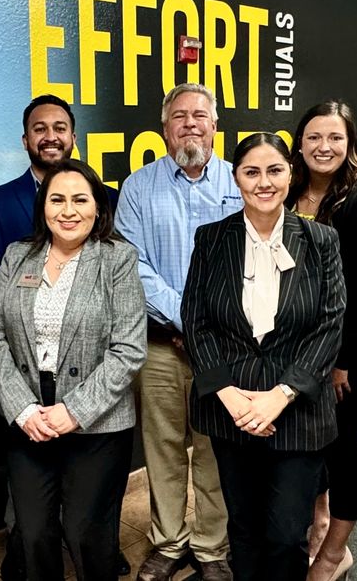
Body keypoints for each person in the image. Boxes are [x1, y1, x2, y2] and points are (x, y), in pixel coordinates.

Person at [181, 132, 345, 581]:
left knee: (287, 534)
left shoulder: (321, 240)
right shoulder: (212, 239)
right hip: (231, 412)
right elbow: (196, 321)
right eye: (251, 172)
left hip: (297, 412)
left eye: (274, 170)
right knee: (245, 530)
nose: (264, 182)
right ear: (236, 178)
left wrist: (281, 395)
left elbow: (330, 325)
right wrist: (231, 396)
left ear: (291, 174)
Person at [0, 94, 125, 578]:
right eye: (57, 200)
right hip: (29, 414)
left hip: (96, 419)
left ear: (96, 206)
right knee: (34, 531)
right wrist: (23, 409)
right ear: (43, 207)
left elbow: (128, 350)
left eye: (80, 199)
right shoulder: (16, 257)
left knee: (86, 531)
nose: (68, 210)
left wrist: (73, 411)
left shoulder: (117, 259)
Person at [115, 83, 237, 581]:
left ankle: (211, 547)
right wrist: (189, 319)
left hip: (225, 347)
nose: (190, 123)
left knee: (214, 448)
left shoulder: (239, 180)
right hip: (162, 345)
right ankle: (168, 541)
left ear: (214, 126)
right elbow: (134, 265)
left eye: (200, 115)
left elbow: (246, 259)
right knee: (162, 449)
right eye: (179, 116)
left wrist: (209, 325)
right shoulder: (138, 187)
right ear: (164, 128)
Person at [284, 102, 357, 581]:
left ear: (350, 145)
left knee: (344, 453)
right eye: (313, 138)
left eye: (334, 138)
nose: (323, 148)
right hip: (292, 354)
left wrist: (341, 362)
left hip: (341, 359)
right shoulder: (287, 194)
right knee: (310, 450)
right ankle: (320, 521)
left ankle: (334, 554)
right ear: (300, 143)